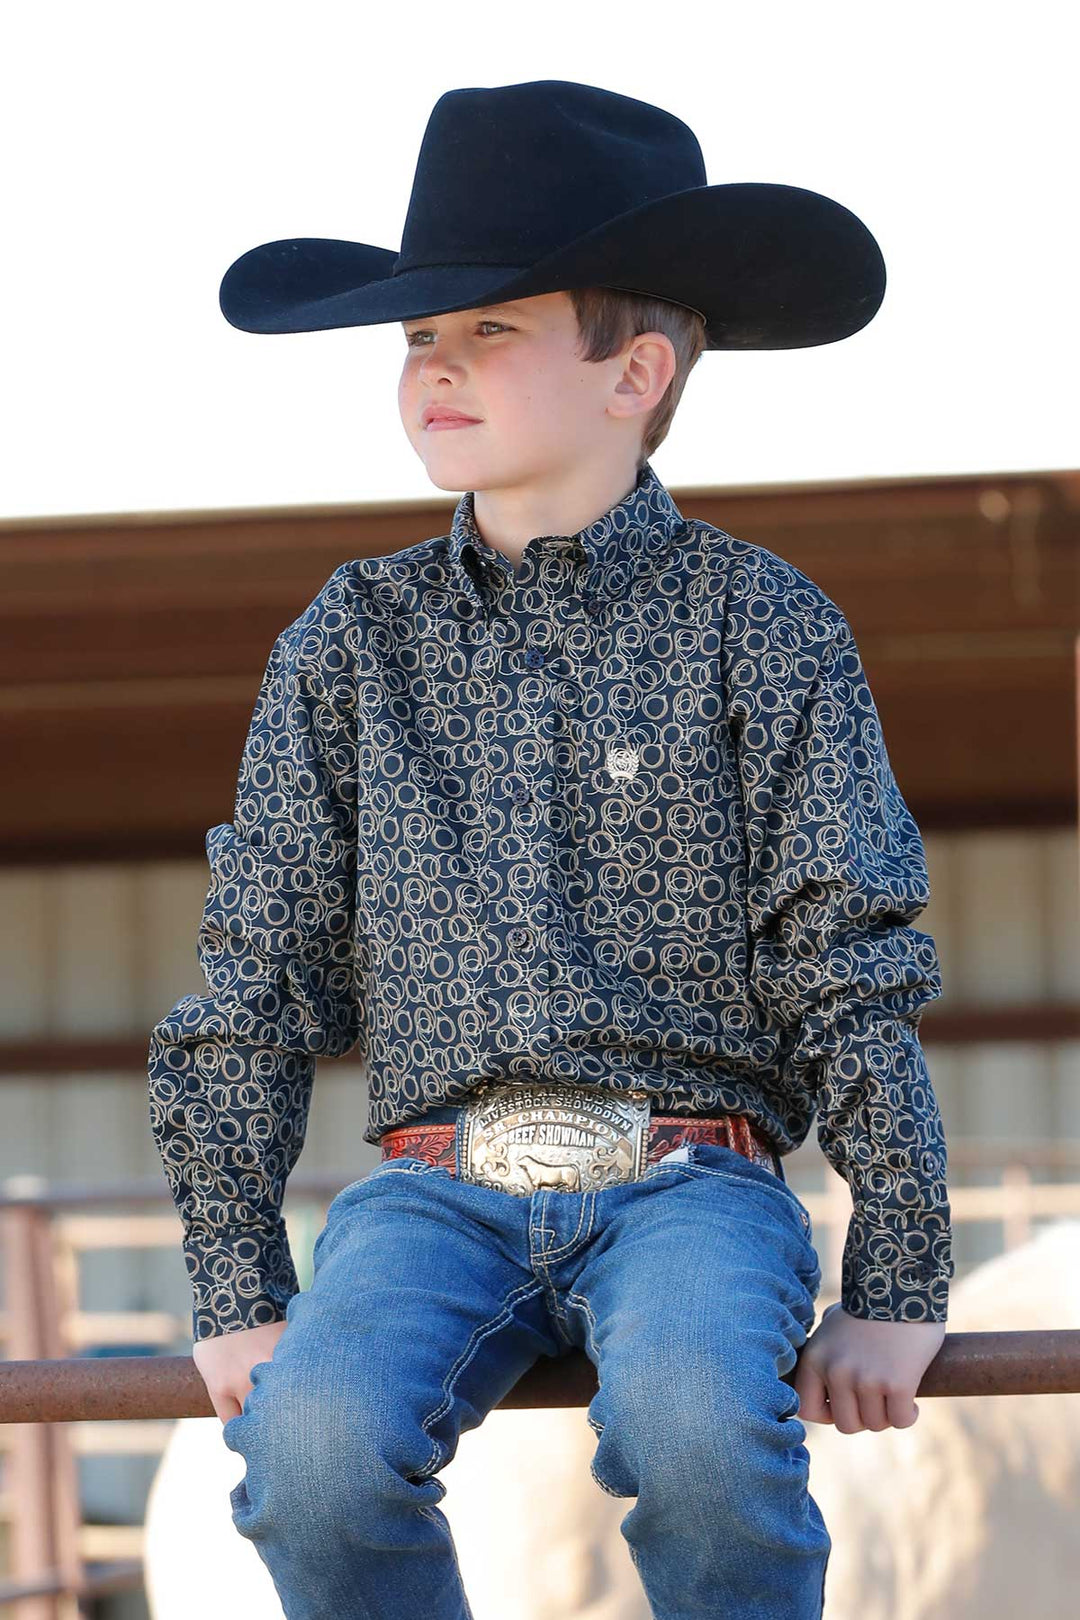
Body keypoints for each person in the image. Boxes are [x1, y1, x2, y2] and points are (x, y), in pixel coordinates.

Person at [147, 78, 954, 1620]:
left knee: (702, 1432)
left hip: (693, 1183)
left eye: (490, 331)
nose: (433, 369)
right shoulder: (346, 642)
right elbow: (255, 970)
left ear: (634, 371)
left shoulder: (760, 624)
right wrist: (240, 1286)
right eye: (414, 341)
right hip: (431, 1189)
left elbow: (848, 955)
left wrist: (899, 1285)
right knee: (309, 1453)